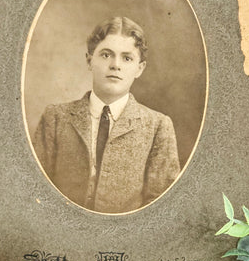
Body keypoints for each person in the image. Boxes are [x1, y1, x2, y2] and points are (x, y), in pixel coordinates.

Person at [32, 16, 180, 213]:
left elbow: (161, 207)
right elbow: (36, 192)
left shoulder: (157, 126)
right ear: (89, 60)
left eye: (127, 58)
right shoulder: (56, 118)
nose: (115, 65)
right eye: (106, 55)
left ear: (139, 68)